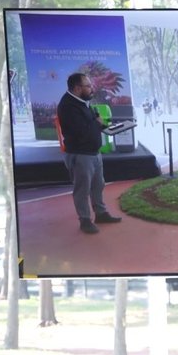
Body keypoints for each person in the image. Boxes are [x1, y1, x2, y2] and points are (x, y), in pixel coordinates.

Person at [55, 72, 122, 235]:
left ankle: (101, 213)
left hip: (93, 152)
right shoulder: (67, 106)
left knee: (98, 185)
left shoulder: (83, 101)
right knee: (82, 189)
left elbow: (94, 118)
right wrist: (96, 122)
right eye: (88, 86)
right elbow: (81, 131)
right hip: (80, 154)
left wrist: (100, 122)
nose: (92, 88)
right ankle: (84, 220)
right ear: (77, 88)